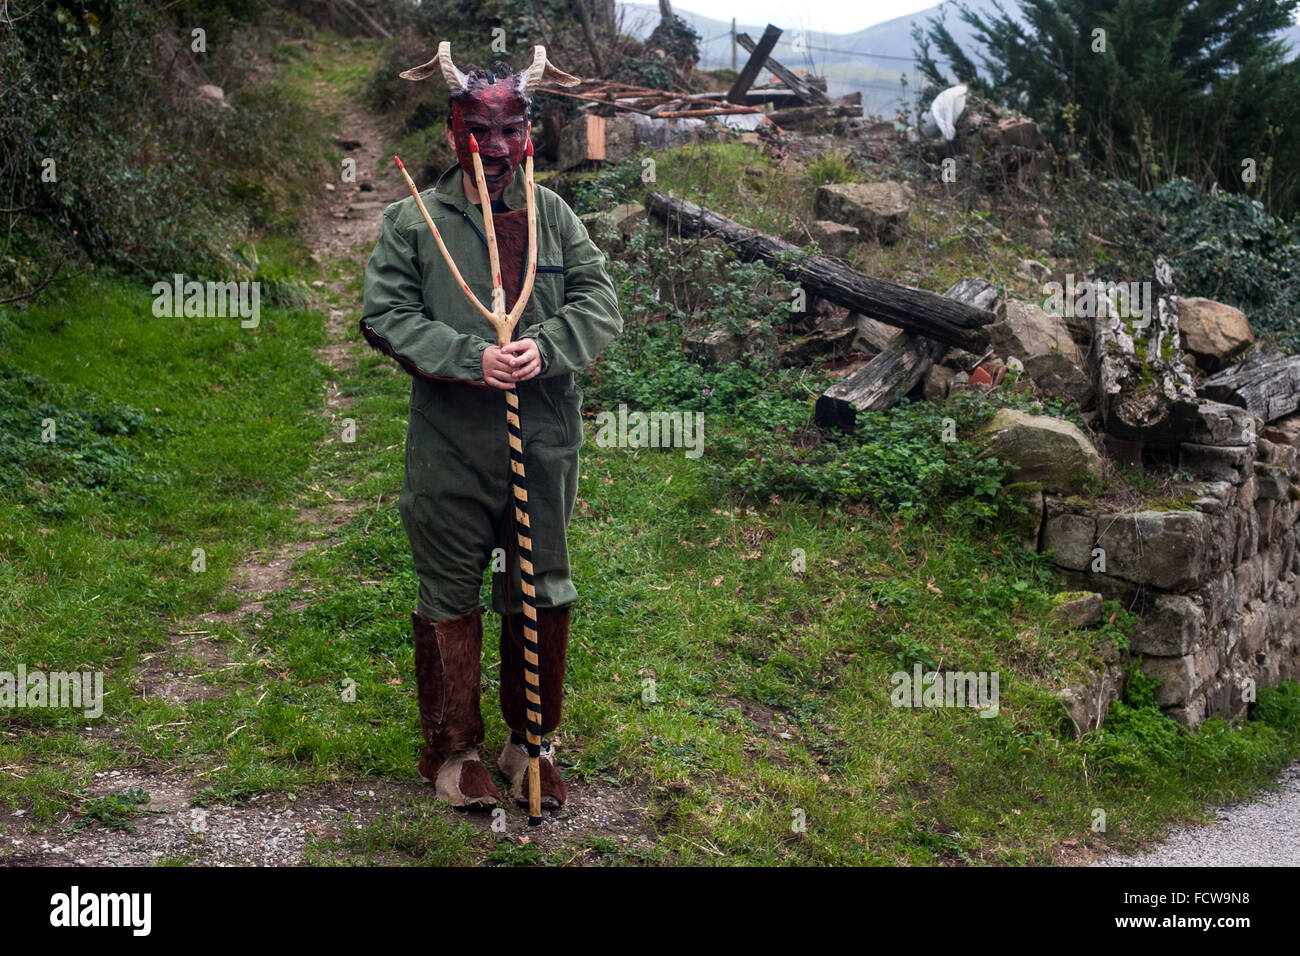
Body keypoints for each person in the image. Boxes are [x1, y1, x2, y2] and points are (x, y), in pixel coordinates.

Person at [359, 43, 621, 811]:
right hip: (449, 446)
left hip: (543, 441)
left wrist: (548, 346)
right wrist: (470, 357)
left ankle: (529, 744)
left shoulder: (556, 217)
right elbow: (386, 317)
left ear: (531, 134)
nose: (496, 146)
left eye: (511, 128)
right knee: (449, 590)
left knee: (539, 588)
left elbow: (600, 304)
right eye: (480, 128)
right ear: (452, 132)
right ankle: (453, 753)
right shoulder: (413, 221)